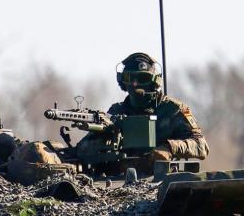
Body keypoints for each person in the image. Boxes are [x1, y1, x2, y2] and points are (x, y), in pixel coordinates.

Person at [75, 52, 208, 166]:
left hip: (162, 177)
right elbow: (83, 148)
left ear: (154, 82)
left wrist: (169, 147)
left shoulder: (172, 110)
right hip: (119, 179)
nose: (135, 84)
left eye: (142, 78)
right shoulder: (117, 111)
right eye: (130, 78)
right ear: (122, 81)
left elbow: (201, 145)